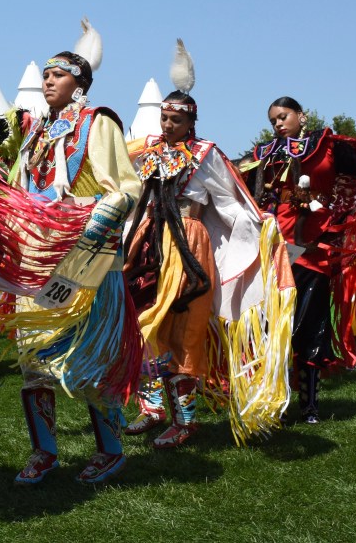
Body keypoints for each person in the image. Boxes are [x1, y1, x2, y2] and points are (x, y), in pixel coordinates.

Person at [0, 20, 142, 485]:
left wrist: (87, 216)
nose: (48, 81)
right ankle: (44, 452)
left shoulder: (98, 123)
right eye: (45, 75)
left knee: (91, 355)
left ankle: (111, 450)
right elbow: (19, 189)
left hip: (86, 253)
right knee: (33, 359)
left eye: (58, 75)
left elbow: (128, 186)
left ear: (80, 84)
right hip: (38, 254)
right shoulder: (34, 132)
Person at [123, 40, 293, 447]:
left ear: (190, 122)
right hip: (147, 241)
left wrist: (259, 226)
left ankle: (184, 421)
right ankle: (152, 408)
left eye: (175, 120)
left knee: (185, 325)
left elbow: (229, 203)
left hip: (188, 246)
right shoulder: (144, 152)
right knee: (143, 318)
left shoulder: (205, 154)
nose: (166, 126)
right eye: (163, 118)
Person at [247, 96, 356, 422]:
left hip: (312, 250)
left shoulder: (327, 145)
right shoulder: (264, 155)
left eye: (284, 116)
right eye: (273, 119)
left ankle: (309, 405)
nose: (278, 124)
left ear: (301, 116)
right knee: (270, 327)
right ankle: (273, 399)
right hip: (272, 249)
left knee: (309, 325)